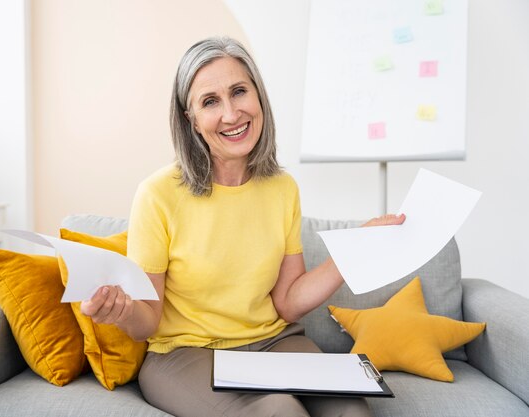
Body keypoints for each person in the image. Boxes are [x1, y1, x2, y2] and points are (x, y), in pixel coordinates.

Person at [81, 36, 405, 417]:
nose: (232, 114)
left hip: (273, 341)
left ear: (259, 97)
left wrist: (354, 250)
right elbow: (146, 322)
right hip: (186, 354)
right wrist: (120, 311)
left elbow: (287, 302)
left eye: (239, 92)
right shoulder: (157, 194)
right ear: (192, 120)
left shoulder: (282, 188)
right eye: (210, 102)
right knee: (280, 412)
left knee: (353, 412)